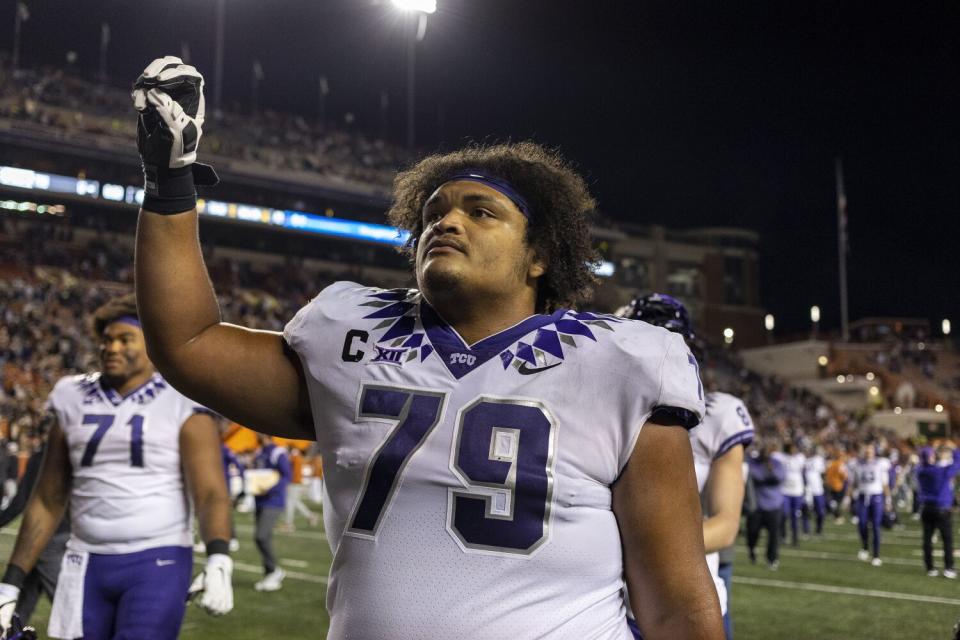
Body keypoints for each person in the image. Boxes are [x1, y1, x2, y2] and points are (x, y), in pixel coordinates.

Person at [132, 56, 723, 638]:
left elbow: (675, 603)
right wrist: (169, 182)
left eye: (480, 211)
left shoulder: (621, 360)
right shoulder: (349, 328)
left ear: (540, 256)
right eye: (433, 212)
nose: (446, 222)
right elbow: (189, 344)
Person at [0, 295, 234, 640]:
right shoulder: (71, 395)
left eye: (125, 339)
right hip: (83, 561)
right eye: (107, 340)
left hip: (157, 560)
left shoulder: (181, 398)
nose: (112, 347)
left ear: (152, 345)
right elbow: (48, 498)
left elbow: (210, 490)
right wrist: (10, 584)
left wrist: (219, 558)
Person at [618, 293, 753, 640]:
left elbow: (725, 527)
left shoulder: (718, 413)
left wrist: (627, 550)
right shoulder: (607, 411)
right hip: (610, 608)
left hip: (682, 603)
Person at [0, 438, 68, 626]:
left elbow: (20, 502)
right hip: (55, 539)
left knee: (63, 604)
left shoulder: (45, 456)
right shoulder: (65, 455)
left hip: (46, 541)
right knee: (23, 604)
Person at [252, 433, 290, 591]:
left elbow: (287, 475)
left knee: (261, 536)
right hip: (259, 500)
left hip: (273, 501)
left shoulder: (277, 452)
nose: (256, 434)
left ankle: (274, 570)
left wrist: (270, 488)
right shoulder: (259, 452)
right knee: (263, 537)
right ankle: (270, 573)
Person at [916, 443, 960, 578]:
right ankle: (948, 568)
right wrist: (954, 448)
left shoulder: (920, 470)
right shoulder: (940, 471)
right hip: (941, 509)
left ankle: (930, 568)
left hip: (926, 508)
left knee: (927, 539)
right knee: (947, 540)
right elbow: (958, 462)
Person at [847, 441, 891, 566]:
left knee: (876, 526)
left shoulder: (880, 464)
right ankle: (865, 547)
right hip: (862, 496)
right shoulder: (856, 464)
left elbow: (885, 484)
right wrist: (847, 498)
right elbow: (853, 483)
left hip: (876, 497)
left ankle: (876, 555)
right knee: (862, 524)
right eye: (866, 450)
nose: (868, 453)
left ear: (874, 451)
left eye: (870, 450)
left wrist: (888, 500)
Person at [746, 441, 785, 570]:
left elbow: (780, 477)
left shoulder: (776, 464)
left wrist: (769, 470)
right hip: (757, 505)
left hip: (774, 505)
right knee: (752, 532)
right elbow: (754, 475)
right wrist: (766, 474)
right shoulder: (753, 463)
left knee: (773, 535)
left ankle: (772, 559)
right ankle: (752, 549)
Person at [773, 442, 805, 546]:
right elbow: (772, 455)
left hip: (797, 491)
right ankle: (783, 535)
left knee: (795, 516)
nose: (793, 450)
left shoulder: (800, 458)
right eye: (791, 448)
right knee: (784, 514)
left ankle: (795, 539)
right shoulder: (781, 457)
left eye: (795, 448)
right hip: (784, 491)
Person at [802, 445, 826, 536]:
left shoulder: (818, 459)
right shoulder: (803, 460)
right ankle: (806, 530)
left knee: (820, 512)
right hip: (807, 490)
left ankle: (819, 530)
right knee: (806, 511)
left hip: (818, 489)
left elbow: (823, 473)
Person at [825, 449, 848, 524]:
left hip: (831, 485)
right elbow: (844, 476)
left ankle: (836, 515)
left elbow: (827, 474)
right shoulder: (840, 464)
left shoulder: (831, 463)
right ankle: (838, 516)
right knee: (838, 503)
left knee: (834, 502)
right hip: (838, 485)